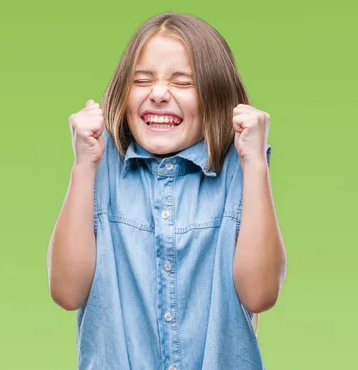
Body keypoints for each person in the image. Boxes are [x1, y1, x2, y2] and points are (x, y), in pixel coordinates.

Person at [46, 12, 287, 370]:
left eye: (183, 82)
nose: (158, 94)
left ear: (216, 94)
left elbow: (259, 294)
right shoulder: (100, 162)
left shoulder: (240, 166)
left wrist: (255, 164)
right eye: (142, 80)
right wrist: (83, 166)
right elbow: (67, 293)